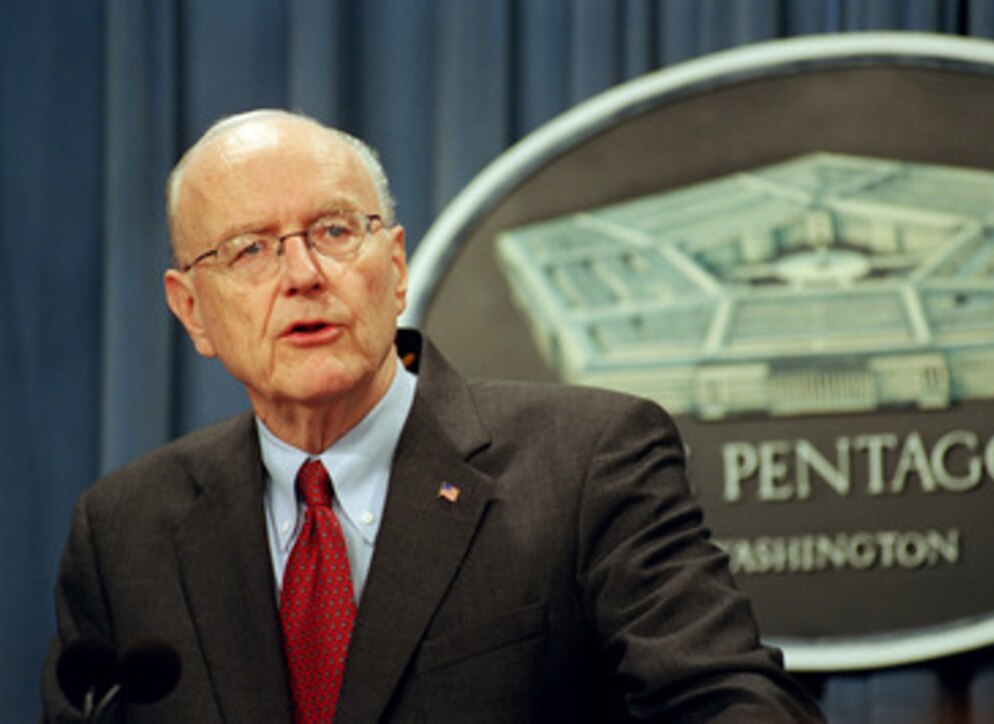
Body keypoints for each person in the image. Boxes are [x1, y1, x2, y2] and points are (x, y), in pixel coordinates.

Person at [42, 109, 824, 723]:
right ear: (193, 311)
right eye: (249, 250)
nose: (304, 275)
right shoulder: (125, 532)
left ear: (395, 266)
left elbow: (728, 699)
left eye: (334, 231)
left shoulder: (588, 463)